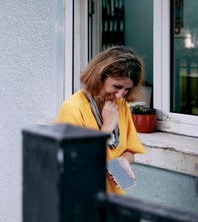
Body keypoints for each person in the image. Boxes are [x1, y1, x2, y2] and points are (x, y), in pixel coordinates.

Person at [55, 45, 146, 194]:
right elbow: (76, 165)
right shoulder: (72, 109)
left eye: (127, 89)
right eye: (117, 86)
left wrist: (123, 160)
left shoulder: (121, 106)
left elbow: (130, 151)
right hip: (84, 201)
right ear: (100, 76)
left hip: (114, 201)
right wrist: (107, 129)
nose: (120, 95)